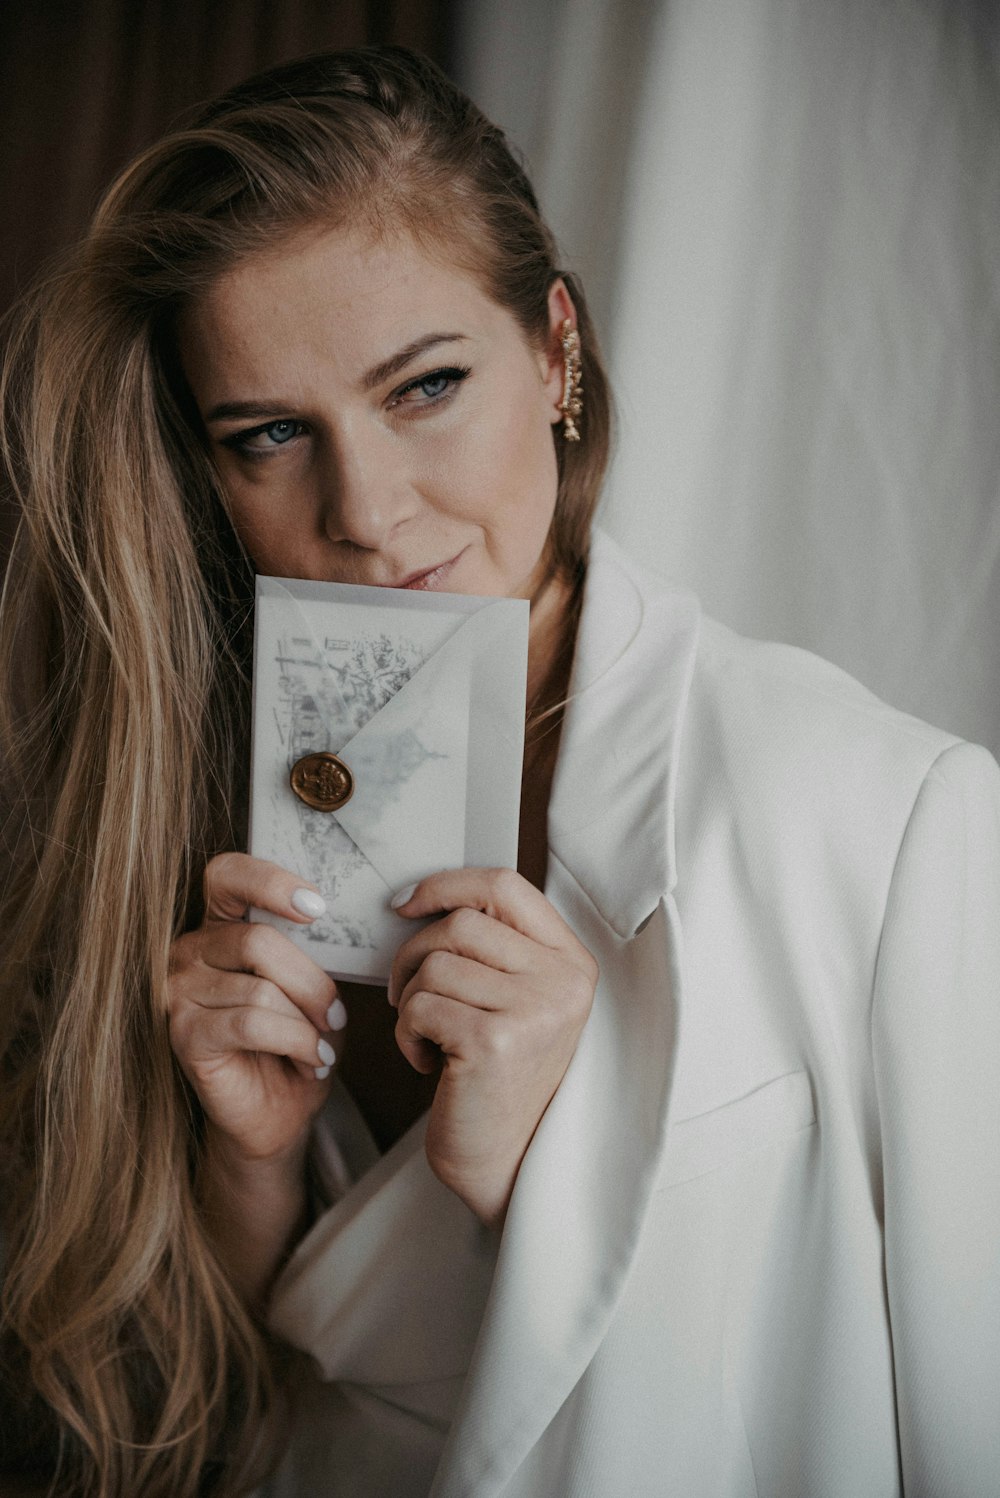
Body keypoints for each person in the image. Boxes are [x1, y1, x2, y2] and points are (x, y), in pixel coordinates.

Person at [0, 43, 997, 1498]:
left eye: (425, 388)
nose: (366, 509)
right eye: (272, 435)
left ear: (556, 353)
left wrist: (550, 1172)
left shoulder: (893, 826)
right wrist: (249, 1180)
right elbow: (186, 1423)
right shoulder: (185, 809)